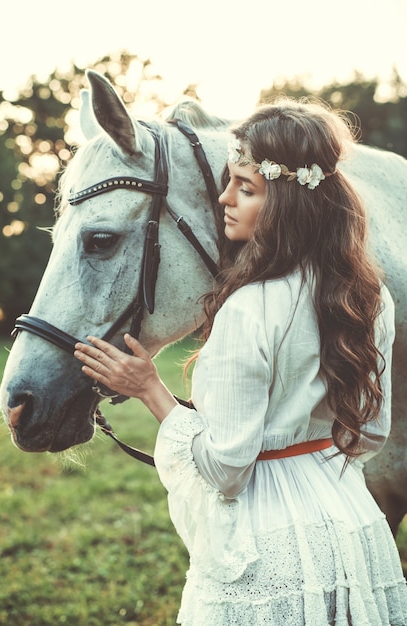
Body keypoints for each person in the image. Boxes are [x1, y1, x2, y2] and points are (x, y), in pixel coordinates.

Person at [74, 98, 407, 625]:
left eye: (246, 188)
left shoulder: (247, 310)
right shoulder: (370, 299)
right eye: (229, 181)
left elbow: (227, 470)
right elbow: (369, 436)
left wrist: (151, 390)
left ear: (288, 204)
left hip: (267, 549)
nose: (224, 198)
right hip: (355, 534)